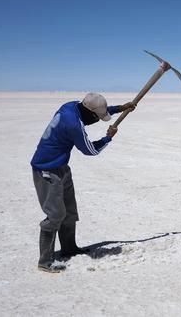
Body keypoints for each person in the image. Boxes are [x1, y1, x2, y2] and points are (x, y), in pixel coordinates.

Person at [30, 92, 135, 273]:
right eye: (97, 116)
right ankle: (45, 261)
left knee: (69, 211)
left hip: (61, 166)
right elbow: (90, 151)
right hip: (46, 169)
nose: (97, 119)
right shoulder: (73, 125)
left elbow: (89, 116)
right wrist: (108, 138)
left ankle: (69, 248)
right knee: (55, 215)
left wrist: (118, 109)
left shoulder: (71, 107)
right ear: (89, 112)